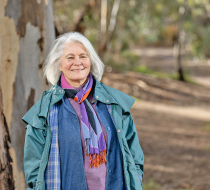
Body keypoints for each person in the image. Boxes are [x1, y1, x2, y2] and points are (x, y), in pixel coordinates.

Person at [22, 32, 144, 190]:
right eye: (70, 57)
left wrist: (137, 178)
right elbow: (34, 168)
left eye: (83, 56)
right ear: (59, 64)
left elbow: (134, 152)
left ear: (91, 61)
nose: (77, 62)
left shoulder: (113, 102)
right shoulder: (44, 110)